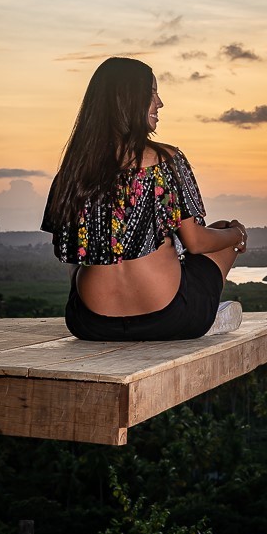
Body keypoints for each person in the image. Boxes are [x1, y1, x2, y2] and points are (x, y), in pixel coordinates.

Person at [41, 57, 246, 340]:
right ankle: (209, 314)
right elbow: (196, 242)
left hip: (90, 324)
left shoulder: (74, 170)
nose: (159, 102)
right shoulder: (166, 160)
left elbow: (67, 252)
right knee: (221, 230)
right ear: (127, 100)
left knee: (84, 256)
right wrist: (237, 235)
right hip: (173, 319)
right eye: (151, 93)